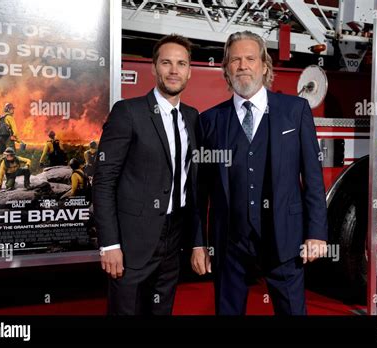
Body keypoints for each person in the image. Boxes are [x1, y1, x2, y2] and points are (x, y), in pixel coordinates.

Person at [191, 31, 328, 315]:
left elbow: (313, 177)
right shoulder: (210, 121)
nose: (243, 65)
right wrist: (198, 244)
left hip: (285, 240)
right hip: (230, 244)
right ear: (226, 69)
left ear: (264, 65)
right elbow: (198, 191)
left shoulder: (295, 110)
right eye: (235, 60)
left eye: (250, 58)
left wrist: (316, 234)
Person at [93, 34, 199, 315]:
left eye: (181, 63)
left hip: (173, 237)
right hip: (131, 242)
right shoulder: (128, 112)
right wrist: (110, 244)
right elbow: (103, 182)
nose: (174, 70)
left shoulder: (192, 116)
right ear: (154, 68)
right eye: (166, 63)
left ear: (189, 71)